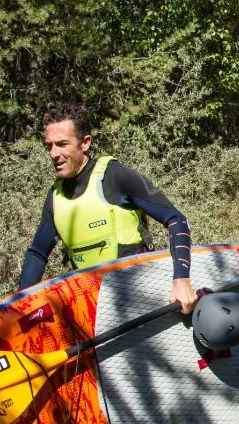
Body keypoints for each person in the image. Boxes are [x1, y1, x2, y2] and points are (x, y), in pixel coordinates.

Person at [18, 106, 199, 313]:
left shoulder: (114, 177)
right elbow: (38, 253)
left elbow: (176, 220)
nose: (53, 154)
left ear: (85, 143)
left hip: (141, 297)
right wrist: (21, 304)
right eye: (49, 146)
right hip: (97, 310)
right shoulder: (55, 197)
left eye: (62, 144)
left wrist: (182, 280)